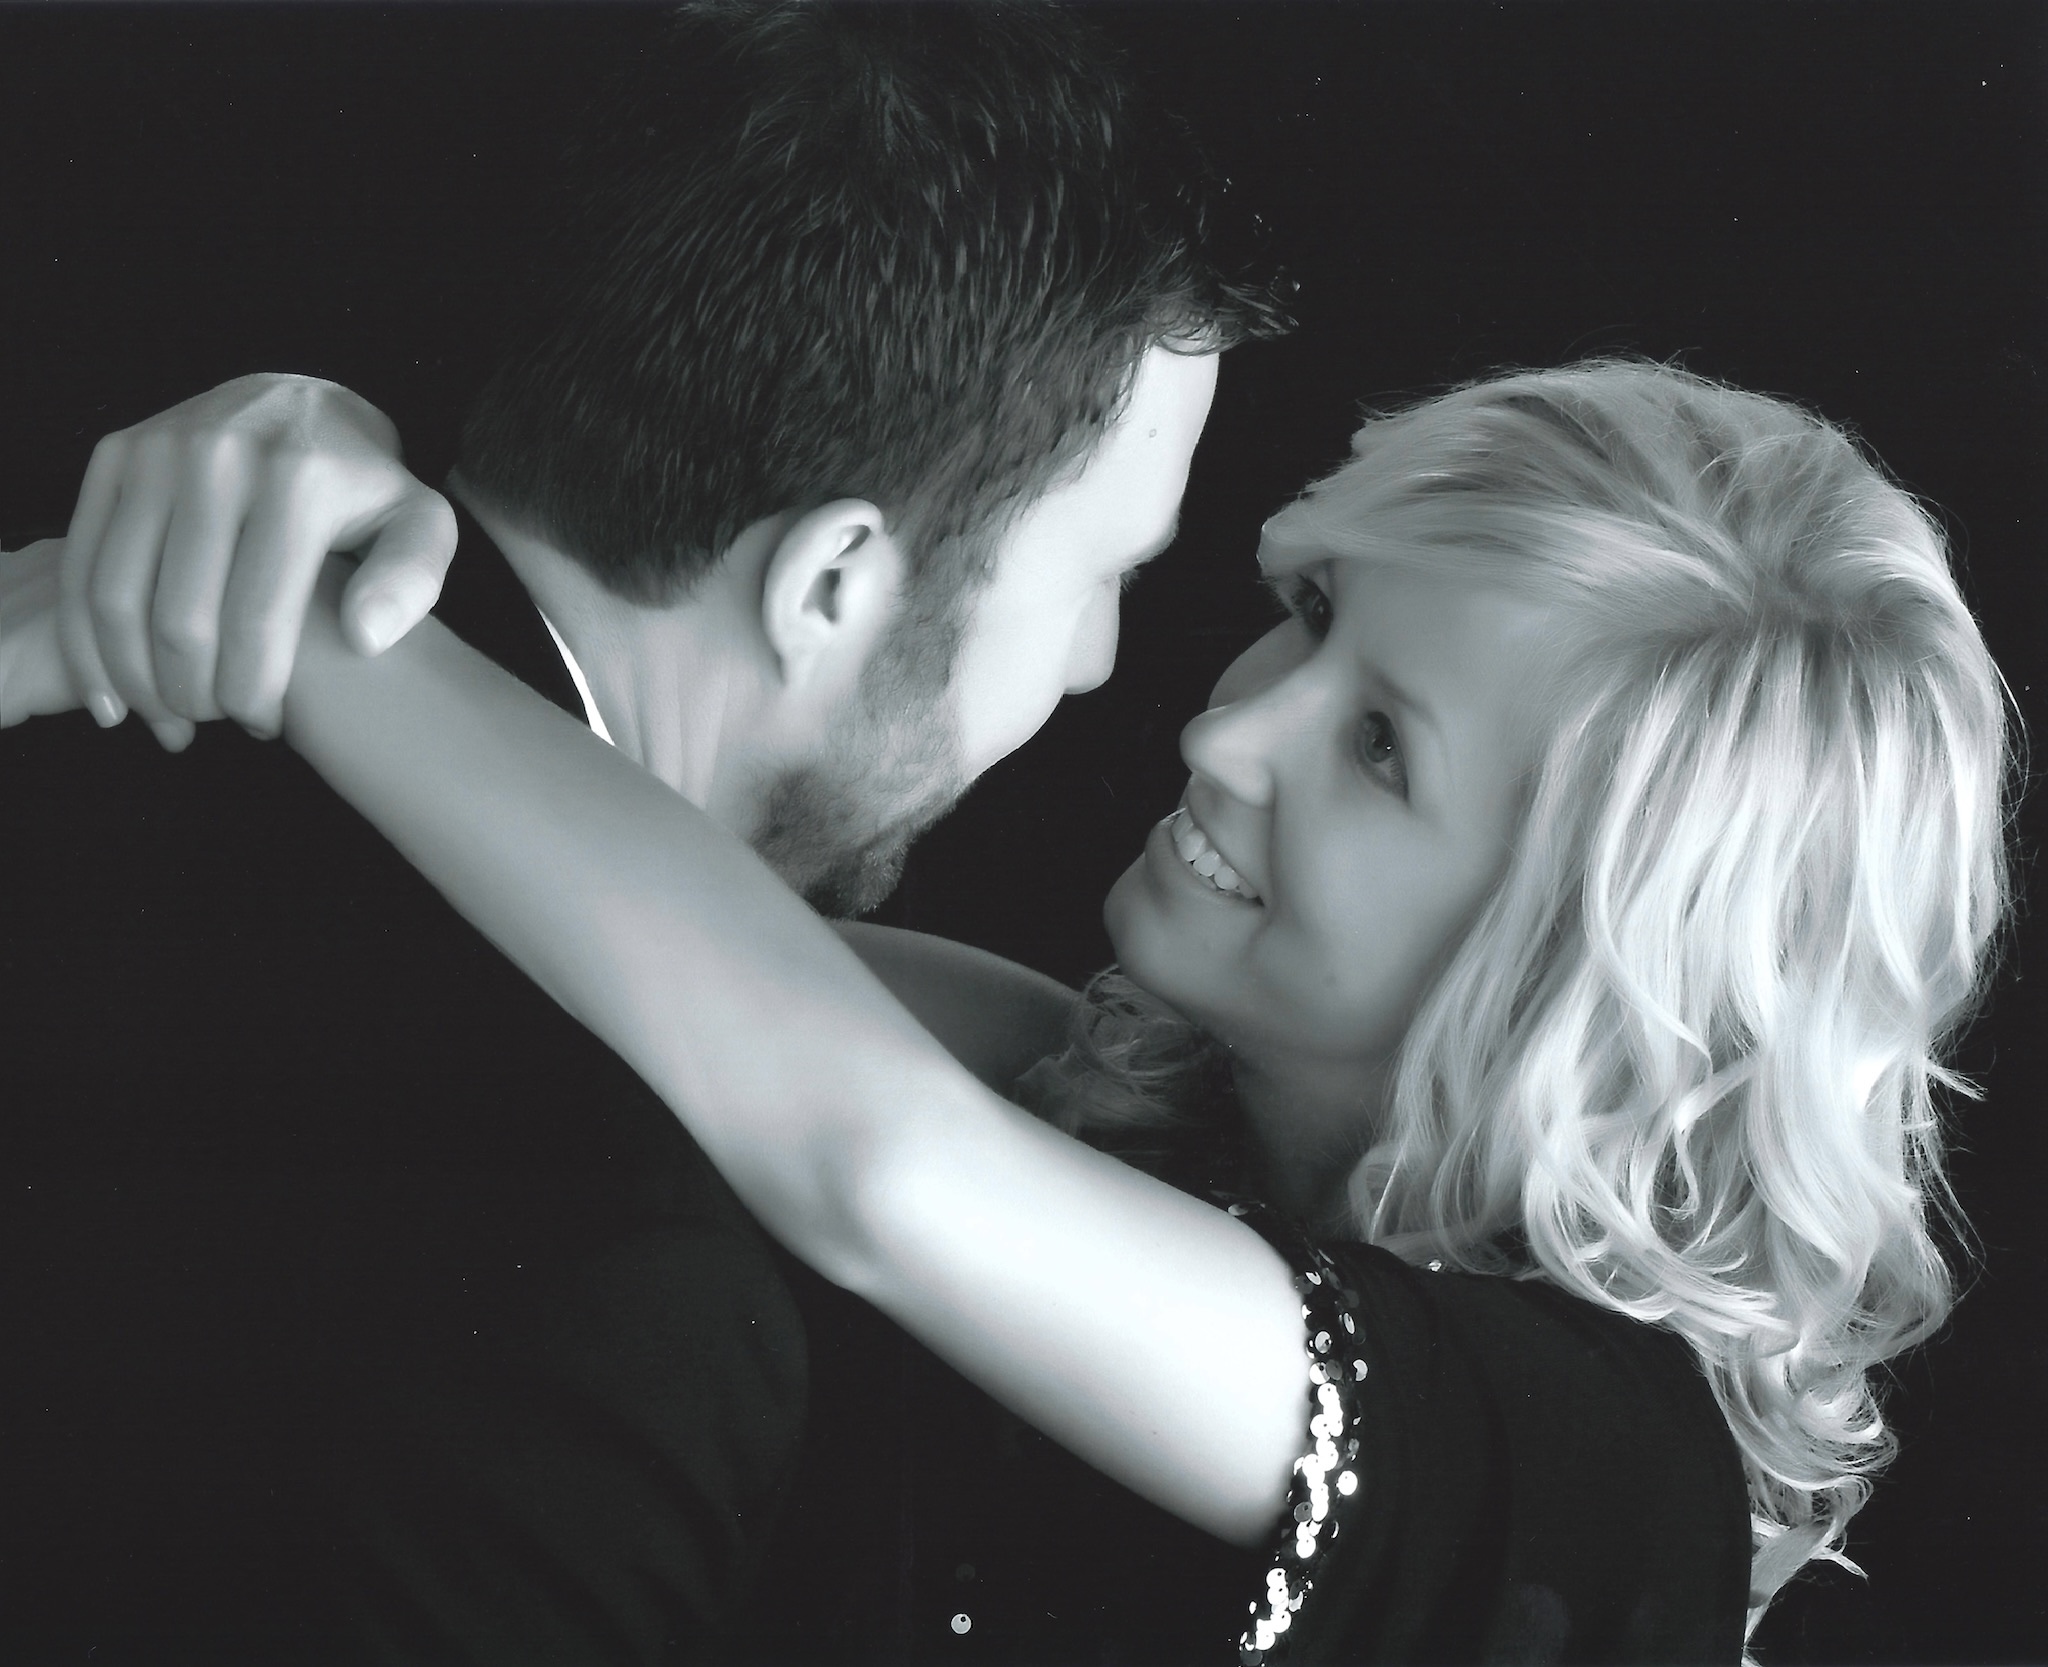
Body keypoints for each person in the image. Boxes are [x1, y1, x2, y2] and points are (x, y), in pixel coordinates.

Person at [5, 359, 2010, 1663]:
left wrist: (306, 617)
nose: (1227, 732)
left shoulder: (1595, 1466)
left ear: (1580, 961)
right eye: (1310, 620)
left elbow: (868, 1158)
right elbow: (548, 939)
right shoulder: (1054, 1080)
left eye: (1380, 749)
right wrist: (237, 506)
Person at [0, 5, 1283, 1659]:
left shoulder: (83, 601)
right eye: (1102, 576)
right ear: (830, 584)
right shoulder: (618, 1277)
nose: (1103, 665)